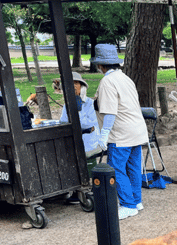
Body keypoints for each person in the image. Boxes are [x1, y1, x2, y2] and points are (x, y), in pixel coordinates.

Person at [91, 43, 148, 220]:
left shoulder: (107, 82)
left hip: (121, 133)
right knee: (133, 167)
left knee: (116, 169)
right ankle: (136, 200)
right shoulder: (125, 78)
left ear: (100, 65)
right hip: (137, 130)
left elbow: (110, 111)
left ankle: (128, 204)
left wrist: (104, 134)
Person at [59, 71, 100, 153]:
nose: (73, 86)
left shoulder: (91, 104)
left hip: (89, 145)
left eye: (76, 83)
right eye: (70, 83)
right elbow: (63, 122)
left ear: (82, 87)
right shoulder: (67, 105)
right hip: (72, 143)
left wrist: (78, 107)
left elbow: (86, 125)